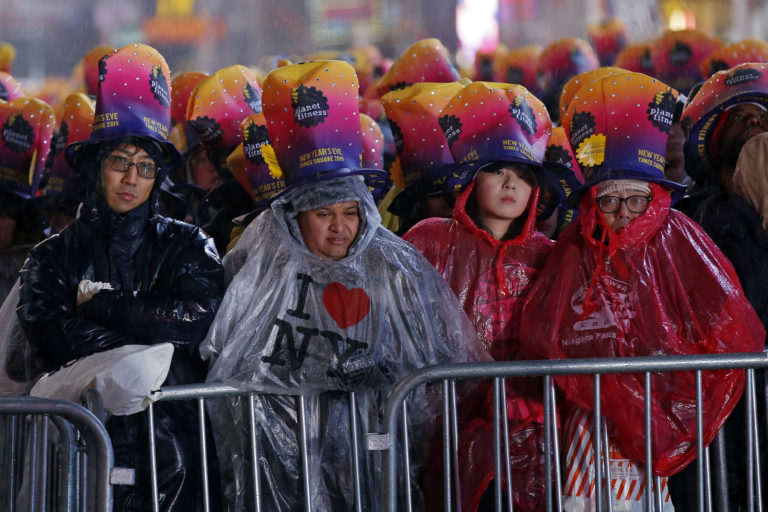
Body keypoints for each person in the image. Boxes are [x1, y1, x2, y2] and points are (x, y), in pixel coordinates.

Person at [200, 60, 488, 512]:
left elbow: (436, 360)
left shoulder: (395, 266)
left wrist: (379, 370)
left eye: (350, 213)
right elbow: (230, 357)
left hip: (372, 444)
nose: (340, 227)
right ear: (297, 216)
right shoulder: (264, 260)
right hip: (286, 450)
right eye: (323, 214)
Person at [518, 72, 765, 510]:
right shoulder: (575, 246)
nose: (623, 213)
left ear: (654, 199)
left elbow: (729, 322)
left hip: (666, 409)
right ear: (593, 202)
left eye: (636, 200)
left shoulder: (680, 235)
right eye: (610, 201)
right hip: (591, 421)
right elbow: (545, 330)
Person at [16, 43, 225, 512]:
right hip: (77, 456)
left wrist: (102, 305)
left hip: (175, 453)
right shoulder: (50, 257)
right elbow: (51, 333)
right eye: (120, 162)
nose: (132, 178)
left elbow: (195, 320)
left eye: (145, 166)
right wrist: (149, 343)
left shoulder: (189, 244)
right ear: (97, 167)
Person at [404, 81, 553, 511]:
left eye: (524, 175)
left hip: (529, 420)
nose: (511, 184)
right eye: (497, 170)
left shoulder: (548, 253)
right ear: (471, 176)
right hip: (444, 416)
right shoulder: (429, 240)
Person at [680, 62, 768, 217]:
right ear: (717, 139)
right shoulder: (700, 213)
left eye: (761, 115)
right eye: (738, 116)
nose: (754, 120)